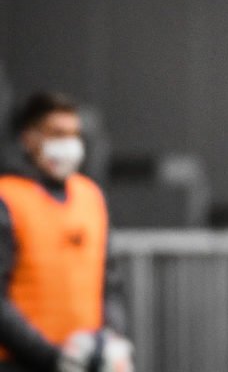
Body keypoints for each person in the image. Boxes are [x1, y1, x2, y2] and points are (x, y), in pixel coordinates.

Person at [0, 92, 131, 372]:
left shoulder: (90, 196)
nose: (68, 144)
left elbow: (110, 283)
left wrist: (112, 339)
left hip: (86, 361)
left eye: (74, 134)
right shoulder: (7, 197)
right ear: (29, 138)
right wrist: (51, 357)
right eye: (58, 133)